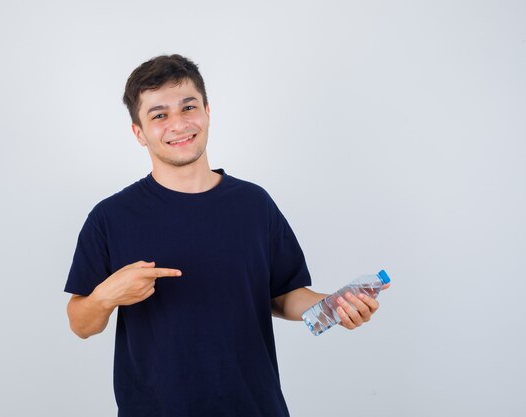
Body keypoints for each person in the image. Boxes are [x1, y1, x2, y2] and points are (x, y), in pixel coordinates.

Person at [64, 54, 389, 417]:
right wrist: (107, 296)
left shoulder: (254, 204)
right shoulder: (111, 217)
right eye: (159, 115)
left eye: (188, 107)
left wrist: (337, 305)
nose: (179, 124)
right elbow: (81, 323)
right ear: (139, 132)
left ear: (207, 111)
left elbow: (283, 296)